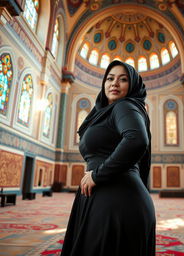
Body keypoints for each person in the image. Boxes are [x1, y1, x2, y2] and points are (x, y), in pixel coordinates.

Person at [60, 60, 156, 256]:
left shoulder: (125, 106)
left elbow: (136, 140)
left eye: (123, 79)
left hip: (118, 203)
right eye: (110, 78)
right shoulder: (107, 112)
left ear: (132, 86)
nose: (114, 83)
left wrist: (97, 175)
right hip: (109, 200)